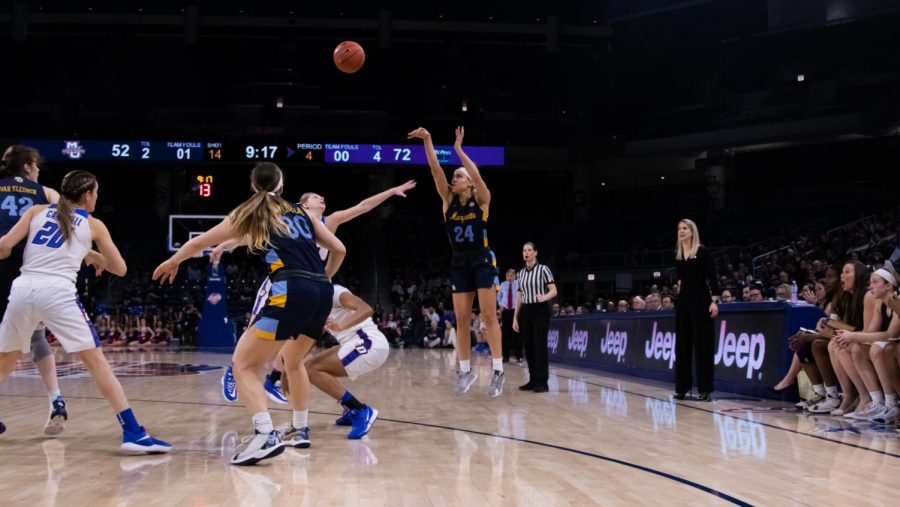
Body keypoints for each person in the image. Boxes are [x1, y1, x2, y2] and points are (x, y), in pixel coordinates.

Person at [154, 162, 345, 466]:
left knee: (243, 364)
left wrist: (174, 261)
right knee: (293, 362)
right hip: (321, 293)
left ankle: (265, 434)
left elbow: (199, 241)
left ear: (253, 186)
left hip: (289, 288)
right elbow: (340, 249)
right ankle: (299, 427)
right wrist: (324, 280)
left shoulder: (251, 211)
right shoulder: (302, 212)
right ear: (282, 186)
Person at [0, 170, 170, 452]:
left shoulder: (36, 212)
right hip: (57, 291)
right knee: (97, 364)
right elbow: (120, 269)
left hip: (23, 287)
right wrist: (93, 254)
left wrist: (85, 253)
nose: (97, 197)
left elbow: (5, 246)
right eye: (96, 192)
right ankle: (133, 432)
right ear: (88, 194)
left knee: (5, 361)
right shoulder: (94, 225)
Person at [217, 180, 416, 404]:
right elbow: (254, 233)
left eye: (322, 196)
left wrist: (390, 191)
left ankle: (272, 380)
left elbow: (363, 206)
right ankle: (233, 371)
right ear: (303, 204)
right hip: (281, 280)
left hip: (308, 286)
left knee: (294, 337)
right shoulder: (291, 218)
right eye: (315, 196)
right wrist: (227, 243)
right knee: (256, 325)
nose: (321, 198)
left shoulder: (328, 222)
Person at [408, 126, 504, 397]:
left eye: (459, 176)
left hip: (482, 260)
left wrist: (460, 151)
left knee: (487, 316)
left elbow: (476, 173)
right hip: (459, 262)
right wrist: (428, 140)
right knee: (462, 319)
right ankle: (464, 371)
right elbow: (435, 169)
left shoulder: (482, 200)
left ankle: (497, 371)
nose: (454, 178)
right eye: (455, 175)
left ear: (470, 182)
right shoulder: (448, 201)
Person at [0, 145, 88, 436]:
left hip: (4, 264)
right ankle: (55, 401)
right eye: (36, 165)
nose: (38, 169)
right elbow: (71, 221)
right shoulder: (45, 194)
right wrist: (92, 254)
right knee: (37, 337)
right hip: (31, 270)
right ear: (27, 166)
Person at [297, 284, 388, 439]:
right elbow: (312, 337)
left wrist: (341, 326)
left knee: (312, 371)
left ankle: (360, 410)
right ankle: (352, 409)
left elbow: (366, 309)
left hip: (369, 342)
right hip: (353, 343)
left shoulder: (335, 292)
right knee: (309, 368)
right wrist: (292, 364)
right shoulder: (316, 304)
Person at [672, 219, 719, 401]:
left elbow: (713, 278)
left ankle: (705, 389)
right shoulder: (679, 254)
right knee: (682, 346)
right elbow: (680, 280)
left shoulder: (702, 252)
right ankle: (682, 388)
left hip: (701, 300)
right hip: (683, 301)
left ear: (692, 231)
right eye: (679, 228)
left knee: (703, 346)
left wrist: (714, 301)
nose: (681, 231)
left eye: (685, 228)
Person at [513, 242, 557, 393]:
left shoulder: (544, 269)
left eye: (529, 250)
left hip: (540, 310)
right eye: (524, 250)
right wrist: (515, 317)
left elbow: (554, 290)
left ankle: (542, 382)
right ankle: (532, 380)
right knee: (529, 347)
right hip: (526, 310)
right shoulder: (520, 273)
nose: (526, 252)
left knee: (540, 347)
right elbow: (520, 296)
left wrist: (544, 297)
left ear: (535, 253)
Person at [497, 269, 522, 363]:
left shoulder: (519, 283)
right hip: (506, 311)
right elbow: (498, 296)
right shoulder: (502, 285)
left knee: (517, 334)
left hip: (516, 311)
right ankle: (505, 356)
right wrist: (501, 305)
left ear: (515, 276)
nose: (510, 277)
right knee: (505, 334)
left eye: (511, 275)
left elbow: (522, 296)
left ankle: (519, 355)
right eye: (508, 275)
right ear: (506, 276)